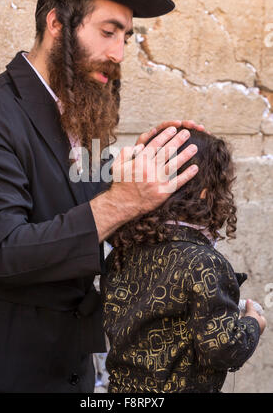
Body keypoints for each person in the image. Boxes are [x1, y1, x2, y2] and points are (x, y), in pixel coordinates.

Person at [0, 0, 203, 393]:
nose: (119, 53)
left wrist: (135, 174)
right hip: (8, 374)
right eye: (108, 31)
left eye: (126, 37)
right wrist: (121, 200)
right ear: (56, 22)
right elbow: (3, 250)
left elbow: (84, 202)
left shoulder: (86, 111)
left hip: (76, 371)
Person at [101, 128, 267, 393]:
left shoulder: (123, 253)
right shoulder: (203, 262)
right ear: (205, 193)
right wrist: (252, 323)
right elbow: (223, 348)